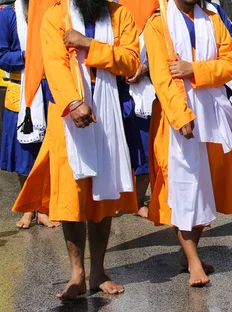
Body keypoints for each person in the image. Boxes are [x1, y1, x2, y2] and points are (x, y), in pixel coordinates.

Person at [12, 0, 140, 300]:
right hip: (69, 117)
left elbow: (131, 61)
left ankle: (98, 271)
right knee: (72, 196)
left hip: (108, 112)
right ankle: (77, 274)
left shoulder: (119, 14)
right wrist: (73, 102)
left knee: (103, 195)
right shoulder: (56, 14)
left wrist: (88, 44)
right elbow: (54, 64)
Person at [145, 0, 232, 286]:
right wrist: (180, 116)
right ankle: (192, 261)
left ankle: (189, 252)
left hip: (211, 114)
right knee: (185, 185)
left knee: (205, 185)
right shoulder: (157, 23)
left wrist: (194, 70)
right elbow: (162, 76)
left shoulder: (214, 18)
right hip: (177, 115)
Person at [0, 0, 58, 228]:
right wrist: (30, 56)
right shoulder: (9, 15)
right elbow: (2, 55)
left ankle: (44, 208)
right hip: (23, 91)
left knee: (49, 152)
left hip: (51, 88)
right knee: (24, 156)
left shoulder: (55, 11)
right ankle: (28, 209)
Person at [119, 0, 159, 218]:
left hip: (146, 93)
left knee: (144, 148)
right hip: (116, 91)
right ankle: (116, 197)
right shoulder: (113, 9)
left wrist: (146, 67)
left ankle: (138, 200)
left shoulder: (159, 9)